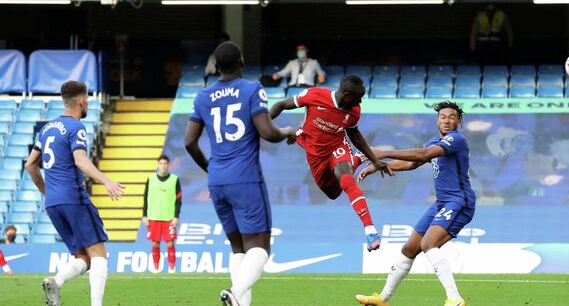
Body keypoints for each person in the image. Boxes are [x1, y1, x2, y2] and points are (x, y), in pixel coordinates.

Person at [185, 41, 296, 306]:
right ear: (242, 62)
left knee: (238, 248)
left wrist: (211, 169)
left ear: (217, 66)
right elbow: (268, 132)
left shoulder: (203, 96)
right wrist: (288, 132)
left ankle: (239, 304)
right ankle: (235, 294)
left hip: (217, 180)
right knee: (259, 248)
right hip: (245, 179)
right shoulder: (251, 89)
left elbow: (189, 142)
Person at [355, 101, 475, 306]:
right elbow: (412, 163)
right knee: (409, 249)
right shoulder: (434, 142)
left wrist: (383, 152)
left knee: (428, 244)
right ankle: (383, 299)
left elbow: (425, 155)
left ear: (459, 122)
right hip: (441, 203)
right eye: (443, 117)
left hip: (459, 201)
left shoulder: (457, 140)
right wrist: (379, 165)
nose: (447, 120)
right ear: (437, 120)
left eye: (452, 117)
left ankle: (455, 299)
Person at [24, 80, 124, 306]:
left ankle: (55, 282)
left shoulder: (47, 128)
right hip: (74, 198)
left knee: (83, 257)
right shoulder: (75, 127)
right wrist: (106, 180)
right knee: (100, 255)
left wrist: (47, 193)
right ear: (81, 101)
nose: (87, 103)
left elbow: (31, 164)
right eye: (87, 99)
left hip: (53, 203)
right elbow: (80, 160)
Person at [270, 75, 393, 251]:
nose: (360, 102)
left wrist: (375, 160)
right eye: (358, 98)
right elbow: (281, 105)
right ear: (347, 94)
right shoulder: (315, 95)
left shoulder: (354, 111)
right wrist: (264, 124)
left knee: (346, 178)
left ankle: (370, 230)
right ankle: (357, 159)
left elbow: (354, 135)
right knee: (333, 193)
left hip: (337, 148)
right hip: (314, 152)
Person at [143, 154, 182, 273]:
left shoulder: (174, 179)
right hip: (154, 216)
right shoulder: (151, 179)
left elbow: (178, 199)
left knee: (170, 242)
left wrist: (176, 216)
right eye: (161, 164)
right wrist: (144, 215)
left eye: (165, 164)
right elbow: (145, 197)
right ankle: (156, 268)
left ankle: (171, 267)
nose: (163, 166)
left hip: (168, 217)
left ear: (168, 165)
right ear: (157, 165)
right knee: (155, 242)